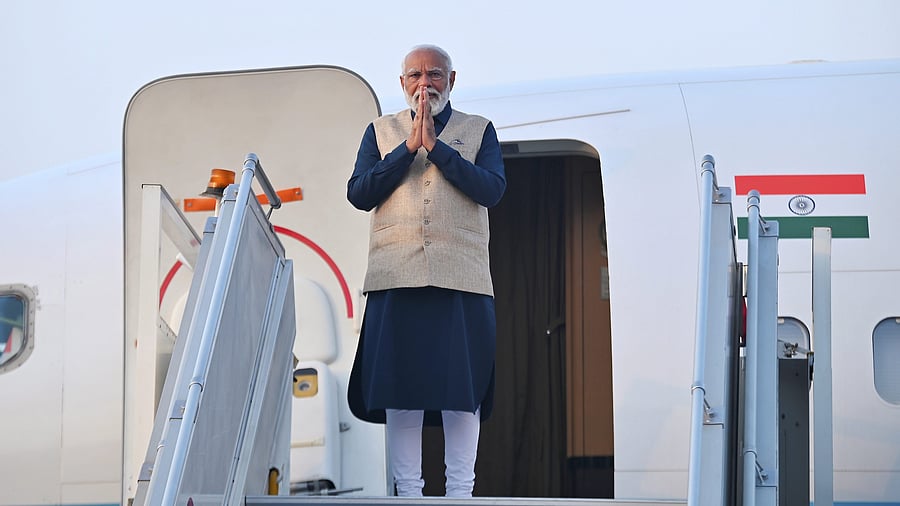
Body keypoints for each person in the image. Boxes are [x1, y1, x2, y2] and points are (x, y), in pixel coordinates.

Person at [346, 44, 506, 497]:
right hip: (396, 278)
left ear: (451, 81)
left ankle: (460, 492)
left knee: (463, 391)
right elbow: (360, 192)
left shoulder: (479, 131)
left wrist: (437, 150)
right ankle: (409, 492)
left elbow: (492, 190)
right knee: (401, 392)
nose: (425, 83)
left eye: (435, 74)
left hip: (463, 280)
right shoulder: (379, 132)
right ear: (402, 84)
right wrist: (408, 148)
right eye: (415, 75)